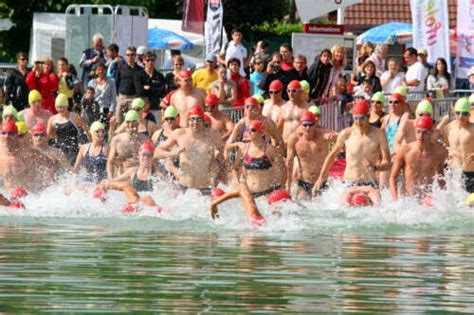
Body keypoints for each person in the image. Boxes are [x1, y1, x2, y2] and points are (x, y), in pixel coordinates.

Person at [312, 99, 391, 195]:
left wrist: (376, 167)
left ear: (368, 116)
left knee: (377, 203)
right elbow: (331, 156)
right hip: (349, 183)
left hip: (369, 184)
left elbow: (388, 163)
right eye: (355, 118)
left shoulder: (379, 135)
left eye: (362, 118)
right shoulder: (346, 134)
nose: (358, 122)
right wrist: (321, 178)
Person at [154, 106, 221, 195]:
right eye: (192, 119)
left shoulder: (211, 136)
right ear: (188, 121)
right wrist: (172, 153)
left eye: (198, 119)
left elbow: (220, 158)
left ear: (203, 120)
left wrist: (217, 176)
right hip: (184, 187)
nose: (195, 122)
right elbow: (156, 152)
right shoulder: (180, 134)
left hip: (205, 188)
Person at [390, 116, 447, 200]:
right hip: (407, 199)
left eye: (425, 132)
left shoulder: (439, 152)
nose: (421, 136)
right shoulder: (405, 150)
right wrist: (395, 198)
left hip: (426, 199)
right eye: (418, 132)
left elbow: (440, 177)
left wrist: (447, 198)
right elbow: (393, 177)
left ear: (431, 132)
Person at [286, 111, 337, 199]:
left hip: (322, 182)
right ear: (300, 125)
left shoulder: (323, 135)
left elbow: (344, 138)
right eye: (305, 125)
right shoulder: (294, 139)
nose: (308, 128)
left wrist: (335, 137)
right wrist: (288, 183)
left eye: (311, 125)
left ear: (315, 124)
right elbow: (289, 162)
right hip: (303, 183)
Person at [230, 120, 286, 198]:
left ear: (261, 132)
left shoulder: (270, 150)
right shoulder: (243, 149)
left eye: (253, 130)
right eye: (247, 129)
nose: (249, 132)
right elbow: (235, 168)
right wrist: (237, 183)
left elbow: (282, 170)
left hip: (267, 194)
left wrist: (280, 188)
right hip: (249, 195)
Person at [96, 142, 159, 211]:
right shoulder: (132, 171)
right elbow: (114, 181)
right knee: (125, 186)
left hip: (148, 202)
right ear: (139, 155)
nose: (146, 158)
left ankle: (134, 207)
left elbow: (166, 189)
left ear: (152, 157)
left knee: (146, 198)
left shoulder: (157, 173)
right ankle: (100, 192)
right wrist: (104, 184)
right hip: (133, 199)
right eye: (144, 155)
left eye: (149, 155)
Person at [0, 121, 59, 192]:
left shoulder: (26, 150)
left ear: (17, 135)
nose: (7, 137)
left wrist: (52, 182)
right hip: (8, 195)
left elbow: (51, 163)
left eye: (11, 134)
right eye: (3, 133)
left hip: (28, 196)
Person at [438, 98, 474, 194]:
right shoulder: (448, 128)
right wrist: (442, 123)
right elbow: (433, 137)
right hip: (454, 172)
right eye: (458, 113)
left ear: (469, 113)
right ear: (454, 112)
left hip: (471, 172)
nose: (460, 116)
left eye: (464, 113)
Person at [107, 110, 148, 179]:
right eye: (128, 122)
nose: (130, 125)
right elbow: (110, 162)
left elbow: (151, 161)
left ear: (138, 123)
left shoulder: (145, 140)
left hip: (138, 177)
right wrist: (110, 180)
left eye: (133, 122)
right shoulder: (117, 140)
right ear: (125, 123)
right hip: (121, 177)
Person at [47, 93, 86, 166]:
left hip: (73, 147)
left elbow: (83, 131)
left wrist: (83, 145)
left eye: (62, 107)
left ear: (67, 106)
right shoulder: (52, 119)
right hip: (60, 147)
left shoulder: (74, 116)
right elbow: (48, 136)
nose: (60, 109)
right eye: (58, 107)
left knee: (72, 167)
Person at [134, 51, 166, 120]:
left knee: (156, 129)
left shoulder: (160, 76)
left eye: (152, 60)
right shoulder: (138, 75)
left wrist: (149, 88)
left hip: (156, 107)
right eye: (148, 60)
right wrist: (155, 89)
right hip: (142, 108)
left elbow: (162, 91)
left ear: (155, 61)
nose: (150, 62)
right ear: (143, 61)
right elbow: (139, 91)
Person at [115, 46, 140, 124]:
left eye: (132, 55)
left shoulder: (139, 69)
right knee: (119, 120)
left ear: (135, 55)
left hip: (133, 98)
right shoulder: (121, 68)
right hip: (122, 97)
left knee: (132, 120)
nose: (130, 57)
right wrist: (117, 96)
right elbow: (116, 81)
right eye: (128, 55)